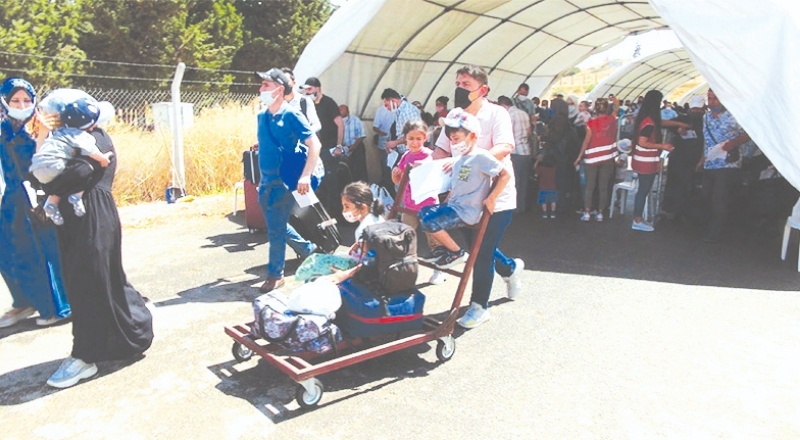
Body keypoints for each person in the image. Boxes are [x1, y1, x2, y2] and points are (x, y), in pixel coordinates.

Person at [43, 98, 153, 388]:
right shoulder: (71, 139)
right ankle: (130, 335)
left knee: (89, 282)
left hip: (92, 217)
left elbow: (74, 174)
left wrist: (50, 180)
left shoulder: (94, 138)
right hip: (77, 219)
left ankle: (84, 357)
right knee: (95, 282)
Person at [432, 65, 524, 329]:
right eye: (458, 83)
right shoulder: (454, 115)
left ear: (482, 90)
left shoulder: (497, 114)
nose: (460, 89)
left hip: (495, 194)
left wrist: (471, 162)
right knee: (478, 247)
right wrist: (428, 165)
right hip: (463, 197)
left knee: (481, 251)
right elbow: (442, 148)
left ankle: (479, 306)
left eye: (466, 85)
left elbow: (506, 146)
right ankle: (509, 268)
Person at [0, 77, 71, 329]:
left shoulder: (41, 128)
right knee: (8, 253)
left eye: (27, 100)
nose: (22, 104)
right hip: (12, 198)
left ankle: (54, 307)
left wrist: (42, 135)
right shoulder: (4, 127)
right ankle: (24, 301)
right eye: (15, 100)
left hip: (36, 197)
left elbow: (46, 166)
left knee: (41, 252)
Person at [420, 108, 509, 274]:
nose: (453, 143)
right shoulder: (460, 159)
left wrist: (491, 198)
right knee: (424, 211)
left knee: (429, 221)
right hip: (456, 206)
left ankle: (457, 253)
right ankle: (443, 251)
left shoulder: (481, 156)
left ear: (472, 136)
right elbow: (459, 185)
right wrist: (448, 199)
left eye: (456, 138)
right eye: (451, 139)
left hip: (468, 210)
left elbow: (504, 175)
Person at [257, 68, 322, 293]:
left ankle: (276, 275)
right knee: (275, 225)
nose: (261, 89)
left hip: (286, 181)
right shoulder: (261, 117)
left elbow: (315, 144)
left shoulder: (292, 115)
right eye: (262, 85)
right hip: (266, 183)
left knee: (275, 227)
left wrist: (305, 175)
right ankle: (308, 250)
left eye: (266, 85)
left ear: (280, 89)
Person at [30, 89, 114, 225]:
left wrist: (51, 191)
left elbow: (72, 174)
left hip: (89, 215)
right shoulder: (66, 137)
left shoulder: (94, 139)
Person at [390, 119, 447, 285]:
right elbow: (399, 181)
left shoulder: (430, 156)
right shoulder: (405, 156)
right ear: (405, 139)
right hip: (409, 205)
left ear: (425, 138)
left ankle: (440, 270)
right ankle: (404, 268)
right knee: (404, 237)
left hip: (428, 205)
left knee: (435, 240)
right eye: (411, 139)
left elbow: (435, 179)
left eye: (418, 139)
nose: (414, 142)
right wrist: (395, 175)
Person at [697, 88, 753, 243]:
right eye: (709, 98)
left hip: (728, 164)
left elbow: (750, 134)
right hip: (710, 163)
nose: (712, 102)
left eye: (715, 98)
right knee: (706, 195)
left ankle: (715, 233)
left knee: (718, 198)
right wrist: (702, 160)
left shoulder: (733, 117)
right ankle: (710, 225)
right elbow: (706, 140)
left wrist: (734, 142)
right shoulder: (706, 117)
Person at [630, 90, 675, 232]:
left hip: (641, 160)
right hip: (646, 162)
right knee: (643, 191)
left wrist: (678, 123)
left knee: (642, 191)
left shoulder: (644, 119)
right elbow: (642, 142)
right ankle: (637, 220)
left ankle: (638, 218)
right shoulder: (649, 123)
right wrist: (662, 146)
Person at [303, 76, 344, 215]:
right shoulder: (309, 105)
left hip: (330, 148)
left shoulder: (329, 103)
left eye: (310, 89)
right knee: (320, 181)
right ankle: (322, 213)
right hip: (316, 149)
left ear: (318, 89)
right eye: (305, 90)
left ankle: (335, 213)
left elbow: (340, 124)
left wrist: (338, 146)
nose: (307, 92)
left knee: (331, 181)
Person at [574, 98, 617, 222]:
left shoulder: (591, 124)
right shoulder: (612, 119)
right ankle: (600, 213)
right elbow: (616, 111)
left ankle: (587, 212)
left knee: (590, 186)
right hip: (608, 157)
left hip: (592, 158)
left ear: (595, 109)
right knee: (603, 186)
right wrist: (615, 102)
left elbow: (586, 142)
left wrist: (579, 157)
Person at [497, 95, 532, 213]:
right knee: (524, 181)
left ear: (503, 105)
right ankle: (522, 206)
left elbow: (506, 134)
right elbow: (529, 132)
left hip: (515, 152)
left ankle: (513, 207)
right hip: (526, 150)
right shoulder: (523, 113)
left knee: (514, 181)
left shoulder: (508, 115)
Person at [341, 181, 385, 258]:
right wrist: (357, 245)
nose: (344, 211)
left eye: (347, 206)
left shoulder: (363, 230)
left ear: (363, 207)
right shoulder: (378, 217)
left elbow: (367, 260)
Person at [381, 88, 421, 157]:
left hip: (411, 152)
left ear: (393, 101)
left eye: (386, 105)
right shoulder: (399, 112)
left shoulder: (407, 111)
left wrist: (395, 143)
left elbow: (413, 134)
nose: (387, 108)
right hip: (405, 152)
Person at [339, 104, 368, 182]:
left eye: (344, 116)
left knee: (360, 169)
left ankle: (362, 186)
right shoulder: (337, 122)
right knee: (346, 169)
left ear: (348, 112)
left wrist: (354, 146)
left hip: (357, 146)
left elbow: (362, 135)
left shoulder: (356, 120)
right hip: (344, 148)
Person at [534, 146, 558, 218]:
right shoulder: (554, 169)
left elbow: (535, 172)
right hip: (553, 187)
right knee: (553, 201)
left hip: (543, 188)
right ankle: (553, 213)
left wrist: (537, 161)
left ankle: (545, 213)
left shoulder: (541, 168)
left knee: (543, 201)